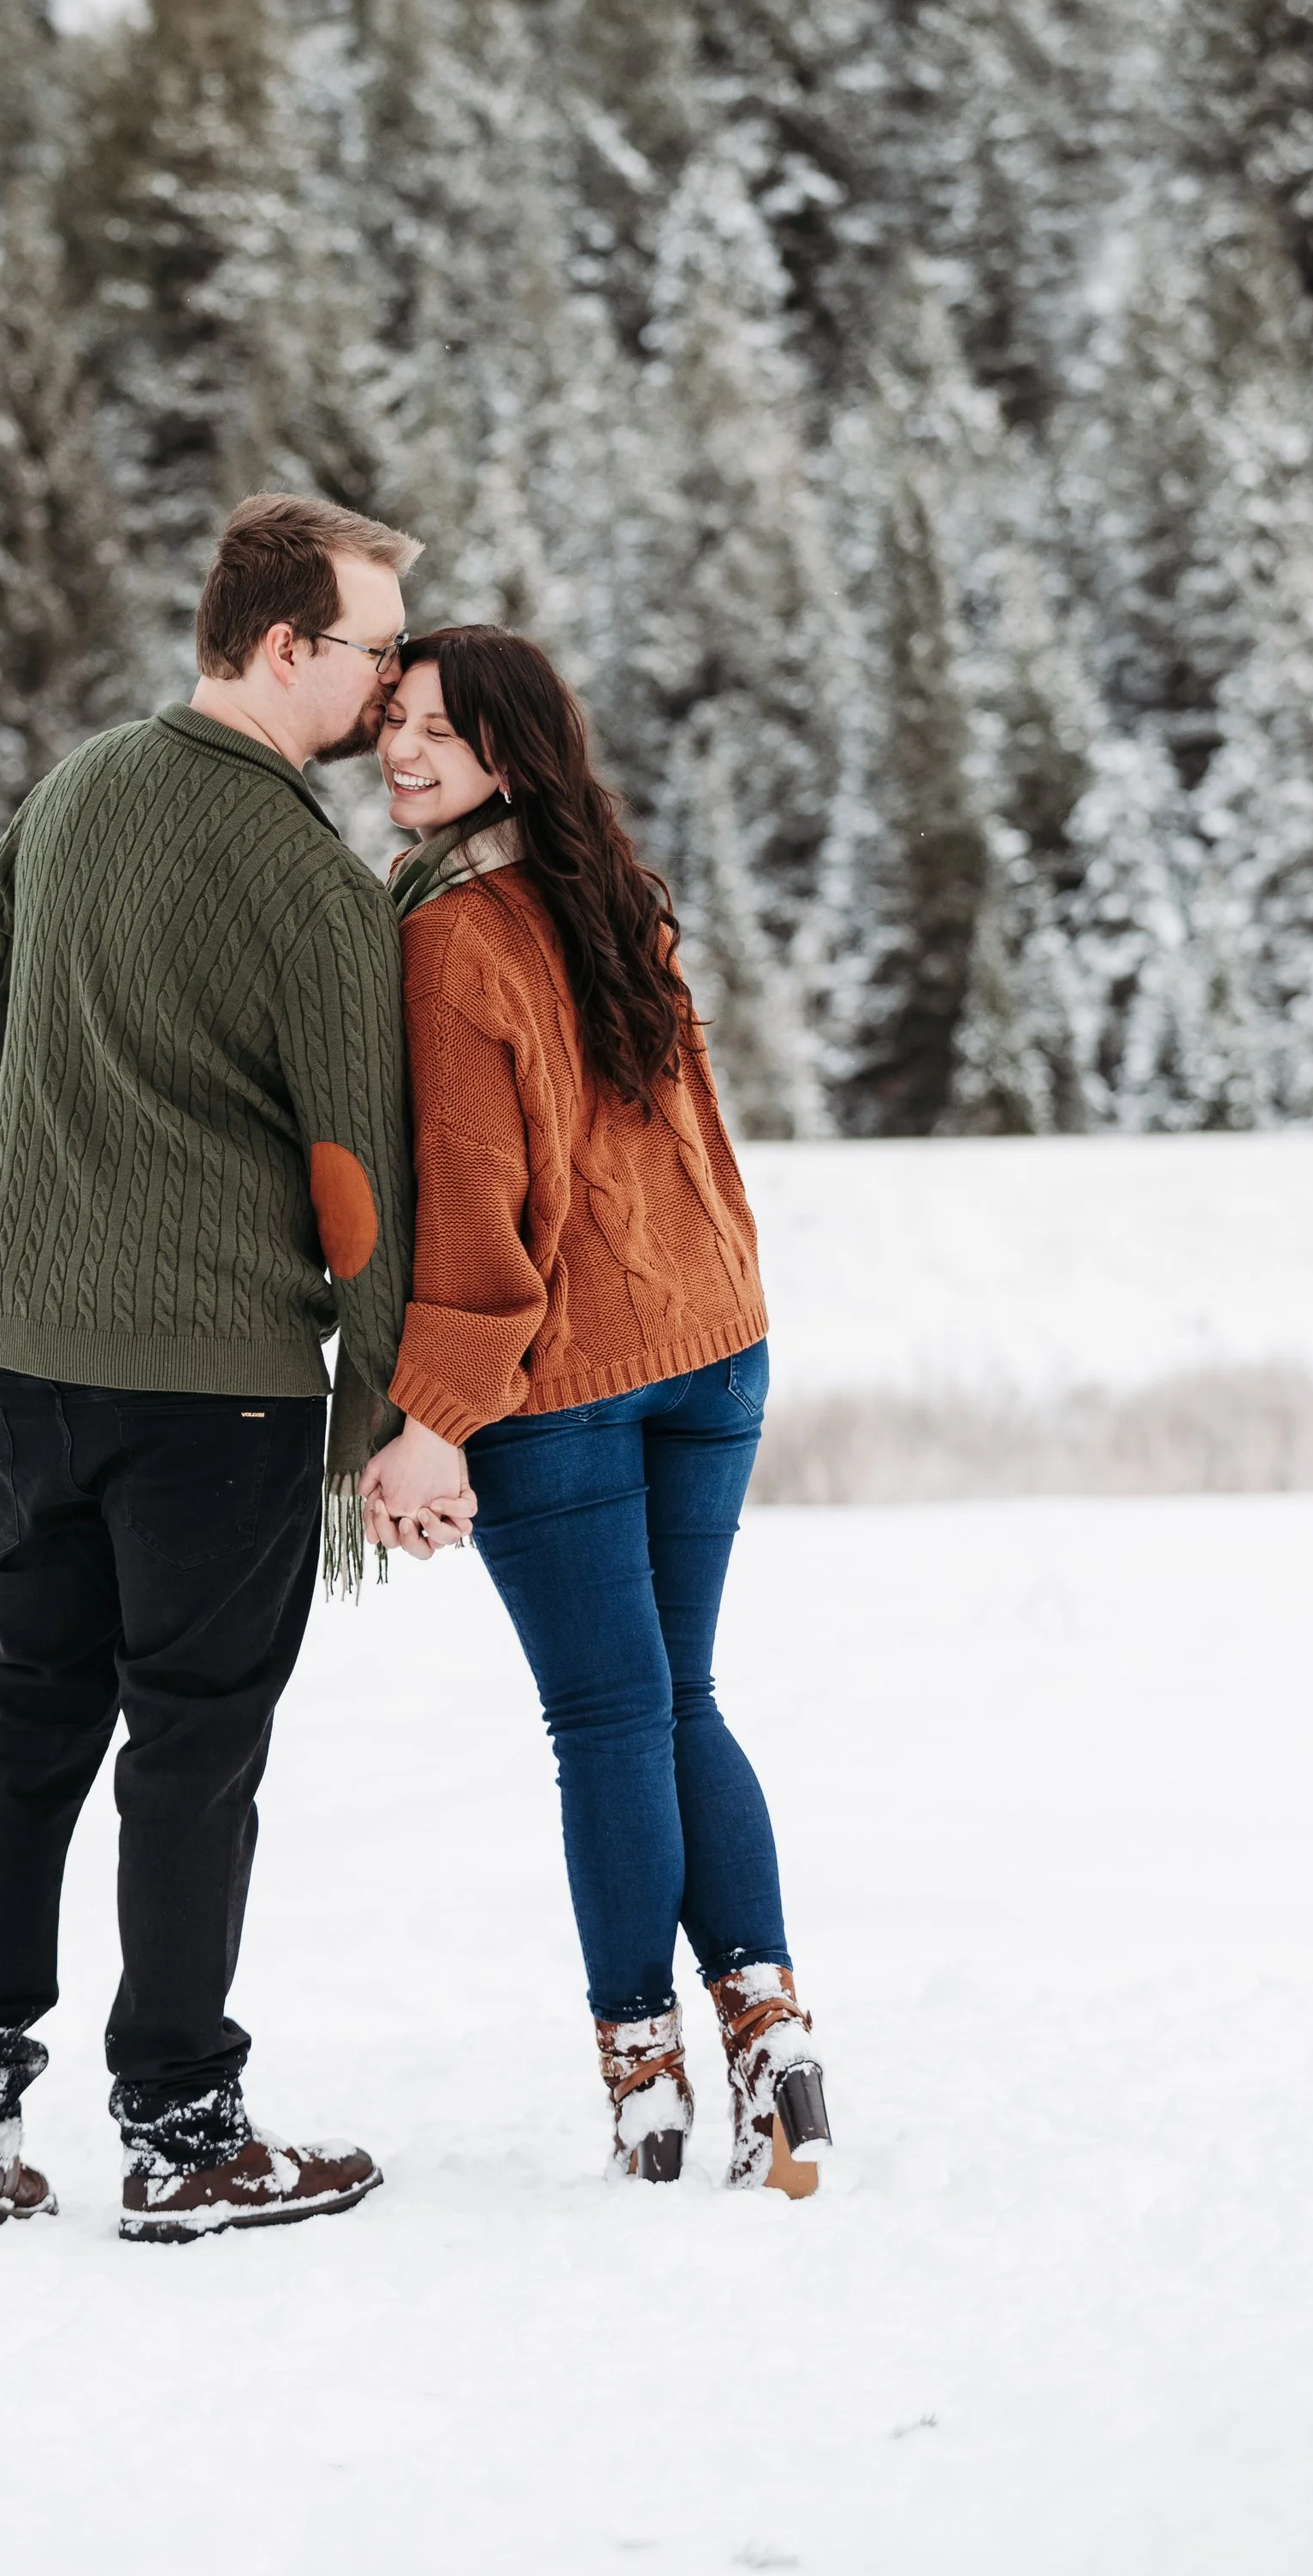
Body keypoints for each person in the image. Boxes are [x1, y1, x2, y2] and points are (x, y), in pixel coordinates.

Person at [0, 493, 423, 2242]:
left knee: (24, 1717)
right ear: (287, 648)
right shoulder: (306, 879)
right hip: (216, 1390)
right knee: (190, 1750)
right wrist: (372, 1427)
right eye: (369, 648)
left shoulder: (72, 789)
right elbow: (363, 1185)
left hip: (20, 1365)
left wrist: (30, 1220)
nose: (387, 680)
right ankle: (183, 2131)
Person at [360, 627, 831, 2197]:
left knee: (611, 1718)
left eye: (436, 728)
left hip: (565, 1374)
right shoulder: (618, 889)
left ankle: (644, 2071)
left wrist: (430, 1413)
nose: (402, 752)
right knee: (678, 1695)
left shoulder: (447, 934)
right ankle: (774, 2032)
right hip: (716, 1338)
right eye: (392, 723)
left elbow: (483, 1207)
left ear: (510, 749)